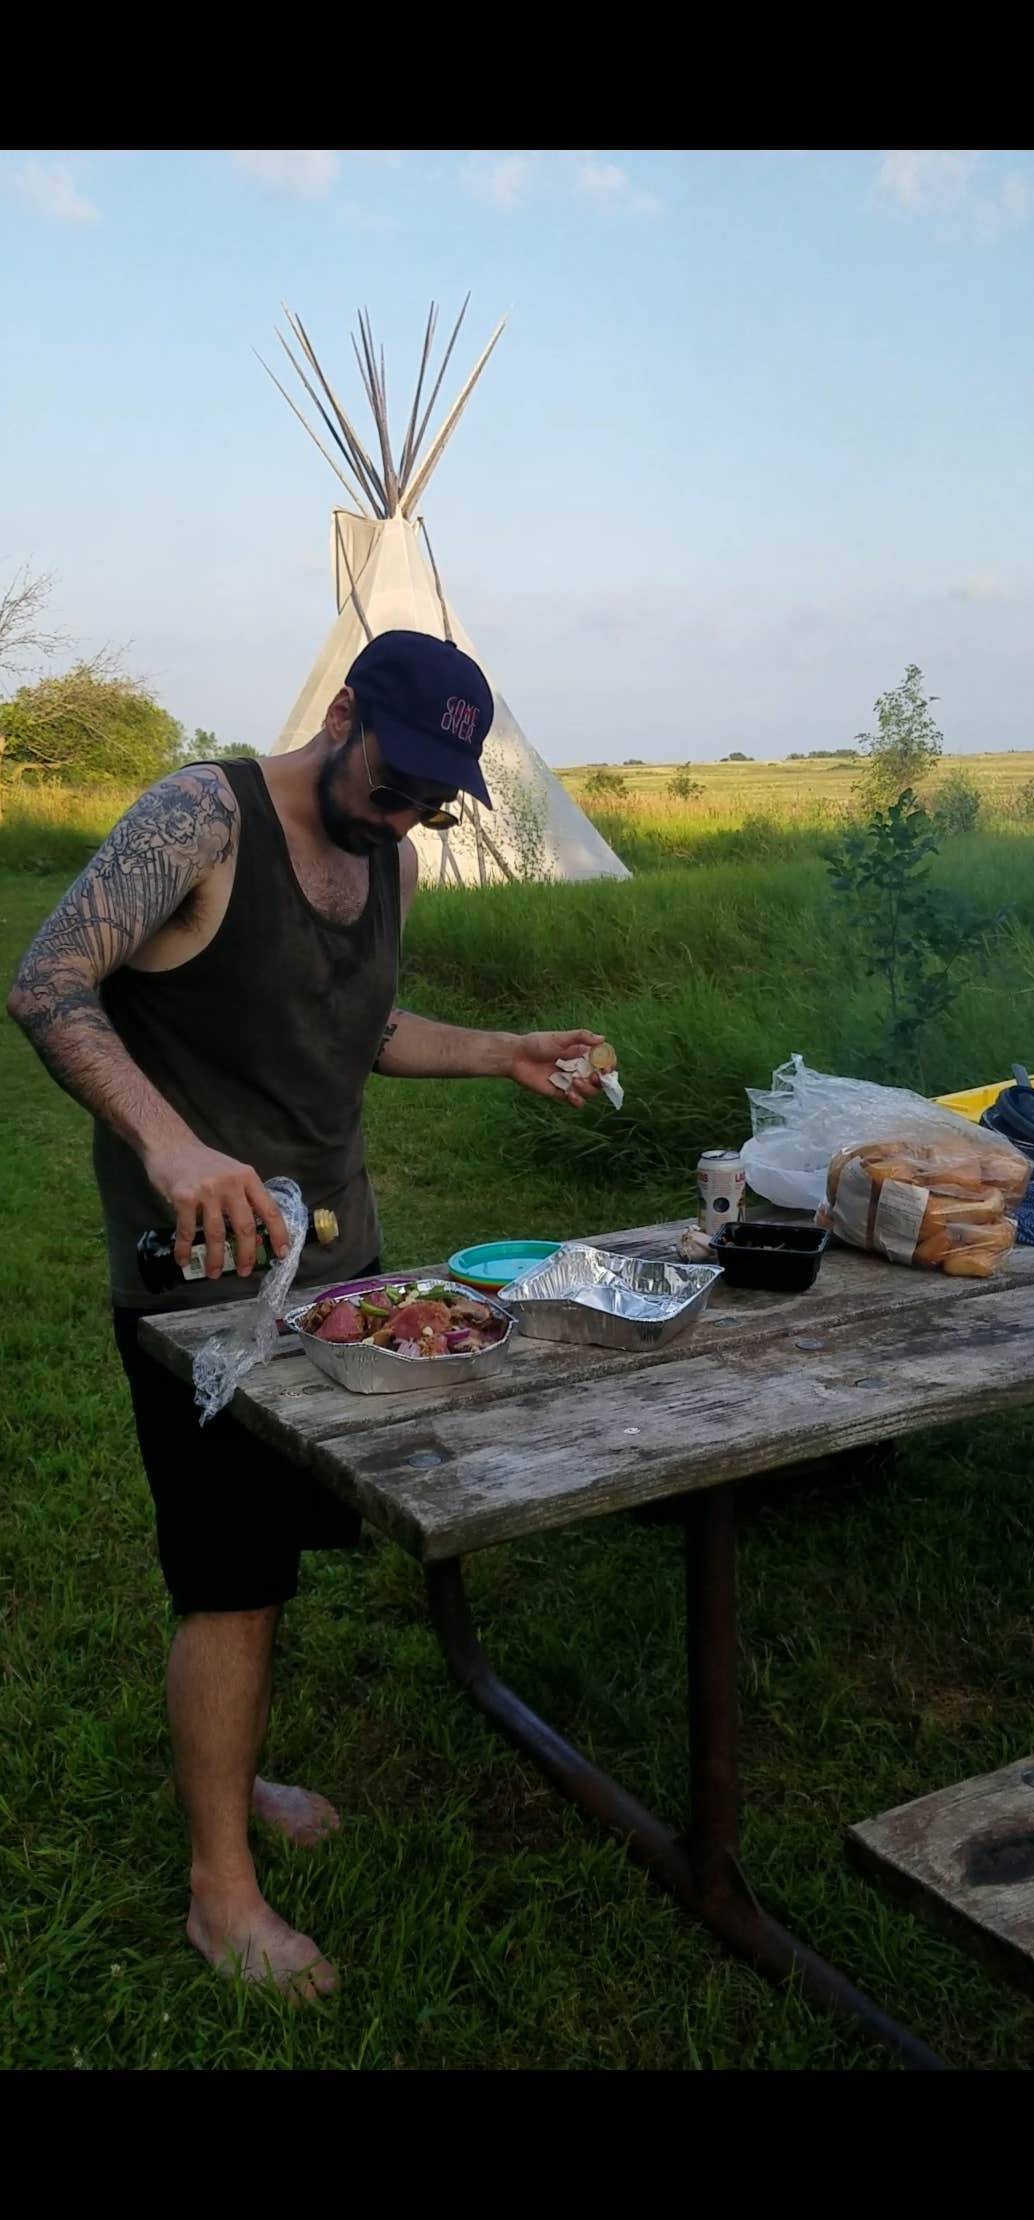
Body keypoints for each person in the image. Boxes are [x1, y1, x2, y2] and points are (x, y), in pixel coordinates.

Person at [6, 629, 606, 2001]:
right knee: (226, 1580)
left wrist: (501, 1049)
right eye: (397, 783)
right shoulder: (198, 813)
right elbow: (48, 982)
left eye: (434, 802)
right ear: (341, 715)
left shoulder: (388, 852)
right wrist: (168, 1146)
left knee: (272, 1557)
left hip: (339, 1268)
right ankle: (220, 1896)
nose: (409, 816)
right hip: (199, 1278)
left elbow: (365, 1025)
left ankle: (241, 1776)